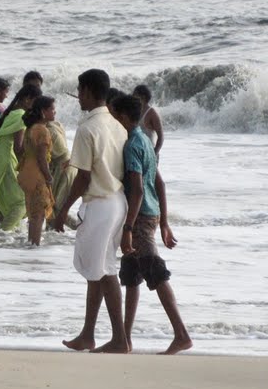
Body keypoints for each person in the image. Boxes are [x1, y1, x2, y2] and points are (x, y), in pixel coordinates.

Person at [52, 69, 129, 353]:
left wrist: (63, 210)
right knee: (98, 269)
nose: (78, 95)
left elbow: (83, 177)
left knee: (104, 270)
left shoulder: (87, 129)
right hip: (118, 202)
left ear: (87, 91)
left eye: (80, 90)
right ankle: (88, 333)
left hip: (98, 203)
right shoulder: (118, 125)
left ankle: (120, 338)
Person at [110, 94, 192, 355]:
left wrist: (128, 228)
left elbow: (137, 191)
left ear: (122, 116)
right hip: (150, 214)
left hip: (140, 216)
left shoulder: (132, 145)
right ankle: (124, 338)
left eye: (113, 114)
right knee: (131, 276)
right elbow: (160, 183)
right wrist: (164, 222)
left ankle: (181, 334)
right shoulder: (145, 139)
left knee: (155, 272)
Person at [0, 83, 41, 231]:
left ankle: (0, 237)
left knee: (2, 199)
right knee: (22, 200)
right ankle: (4, 233)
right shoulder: (21, 116)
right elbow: (18, 148)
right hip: (4, 157)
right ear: (28, 99)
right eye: (35, 102)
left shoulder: (10, 111)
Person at [17, 96, 56, 246]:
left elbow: (21, 150)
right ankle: (35, 245)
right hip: (37, 176)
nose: (55, 112)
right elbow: (42, 158)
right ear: (43, 111)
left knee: (33, 214)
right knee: (39, 214)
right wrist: (49, 177)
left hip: (26, 173)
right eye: (52, 109)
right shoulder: (42, 131)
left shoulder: (30, 129)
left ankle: (31, 243)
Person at [132, 84, 164, 156]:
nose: (133, 98)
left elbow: (161, 136)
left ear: (143, 97)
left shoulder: (152, 113)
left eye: (135, 95)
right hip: (136, 152)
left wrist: (155, 152)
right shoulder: (135, 111)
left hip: (149, 152)